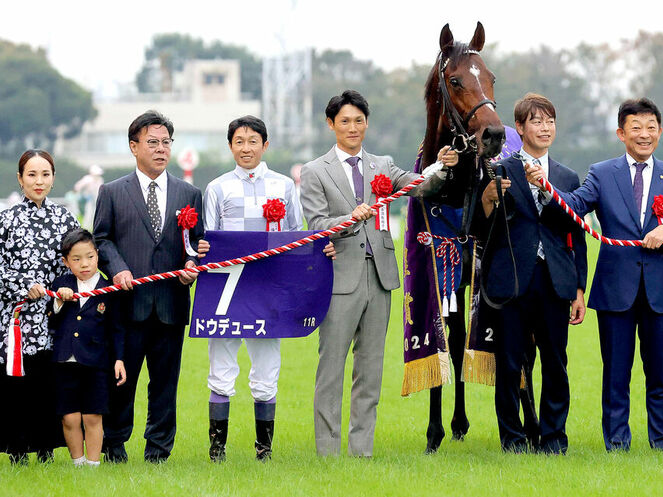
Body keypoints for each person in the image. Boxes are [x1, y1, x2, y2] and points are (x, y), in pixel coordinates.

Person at [528, 97, 663, 451]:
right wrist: (546, 187)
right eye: (636, 127)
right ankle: (617, 442)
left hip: (661, 290)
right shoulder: (603, 173)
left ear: (660, 132)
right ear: (621, 133)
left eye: (651, 127)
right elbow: (574, 206)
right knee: (616, 372)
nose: (644, 134)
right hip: (615, 288)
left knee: (660, 372)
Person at [300, 89, 458, 457]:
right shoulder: (314, 171)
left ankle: (362, 450)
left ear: (366, 123)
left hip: (381, 279)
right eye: (344, 121)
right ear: (331, 125)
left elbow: (419, 185)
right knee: (331, 369)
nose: (352, 128)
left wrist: (441, 165)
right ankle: (327, 451)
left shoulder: (383, 165)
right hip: (339, 280)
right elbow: (317, 224)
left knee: (370, 371)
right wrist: (348, 218)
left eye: (358, 120)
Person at [475, 93, 587, 454]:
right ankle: (514, 439)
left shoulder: (568, 177)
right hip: (512, 280)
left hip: (556, 280)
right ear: (519, 128)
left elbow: (577, 236)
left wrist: (579, 288)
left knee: (556, 362)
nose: (545, 127)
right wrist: (488, 199)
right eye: (536, 121)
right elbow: (479, 229)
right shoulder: (500, 171)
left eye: (550, 121)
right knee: (509, 364)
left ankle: (554, 438)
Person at [93, 110, 205, 463]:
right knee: (122, 381)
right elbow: (101, 238)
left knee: (165, 385)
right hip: (127, 306)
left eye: (166, 142)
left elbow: (196, 245)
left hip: (171, 305)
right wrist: (119, 269)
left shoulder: (190, 193)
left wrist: (191, 266)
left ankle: (158, 450)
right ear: (133, 146)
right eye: (152, 142)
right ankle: (114, 445)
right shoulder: (111, 192)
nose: (160, 149)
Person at [202, 116, 310, 462]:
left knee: (266, 370)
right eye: (238, 141)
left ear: (265, 145)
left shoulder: (284, 186)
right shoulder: (217, 188)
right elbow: (208, 239)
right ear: (230, 145)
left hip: (269, 290)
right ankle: (216, 450)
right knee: (221, 369)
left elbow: (296, 235)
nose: (245, 147)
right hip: (228, 292)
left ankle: (264, 451)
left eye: (252, 141)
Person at [0, 149, 77, 464]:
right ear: (20, 178)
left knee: (49, 384)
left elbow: (80, 260)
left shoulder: (65, 218)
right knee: (18, 386)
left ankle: (46, 449)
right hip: (15, 320)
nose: (39, 181)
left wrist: (63, 290)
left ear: (53, 177)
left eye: (45, 174)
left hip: (52, 317)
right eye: (31, 175)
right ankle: (17, 451)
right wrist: (21, 287)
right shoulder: (5, 219)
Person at [48, 228, 127, 467]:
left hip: (96, 363)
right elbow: (51, 320)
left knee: (93, 415)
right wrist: (59, 300)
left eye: (90, 257)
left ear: (97, 256)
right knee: (70, 417)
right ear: (65, 262)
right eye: (76, 259)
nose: (85, 264)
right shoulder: (60, 284)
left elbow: (117, 328)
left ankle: (93, 465)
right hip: (64, 362)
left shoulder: (108, 288)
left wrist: (119, 359)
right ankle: (78, 462)